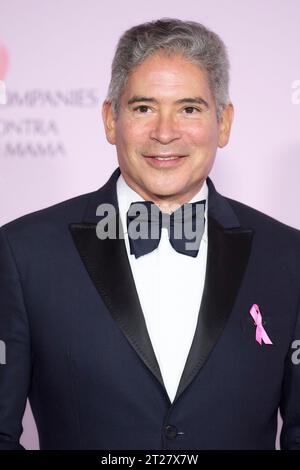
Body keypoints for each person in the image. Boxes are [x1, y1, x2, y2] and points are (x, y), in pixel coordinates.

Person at [0, 18, 300, 451]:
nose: (164, 132)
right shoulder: (23, 254)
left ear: (225, 122)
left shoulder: (288, 259)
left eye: (189, 109)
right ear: (110, 120)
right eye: (143, 108)